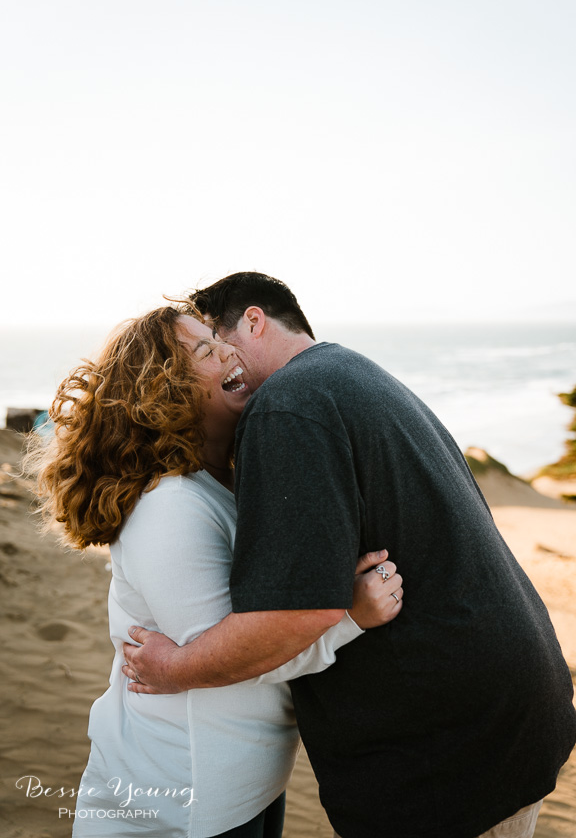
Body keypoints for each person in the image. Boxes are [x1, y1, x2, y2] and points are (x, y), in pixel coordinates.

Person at [123, 273, 576, 838]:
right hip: (507, 713)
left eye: (216, 341)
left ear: (255, 321)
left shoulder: (287, 404)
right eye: (202, 352)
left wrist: (174, 667)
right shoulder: (350, 373)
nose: (219, 360)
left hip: (446, 753)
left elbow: (295, 613)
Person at [27, 304, 403, 838]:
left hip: (240, 786)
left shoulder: (219, 481)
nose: (229, 349)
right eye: (206, 349)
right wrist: (349, 616)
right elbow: (225, 655)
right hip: (180, 800)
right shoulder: (169, 505)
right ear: (165, 391)